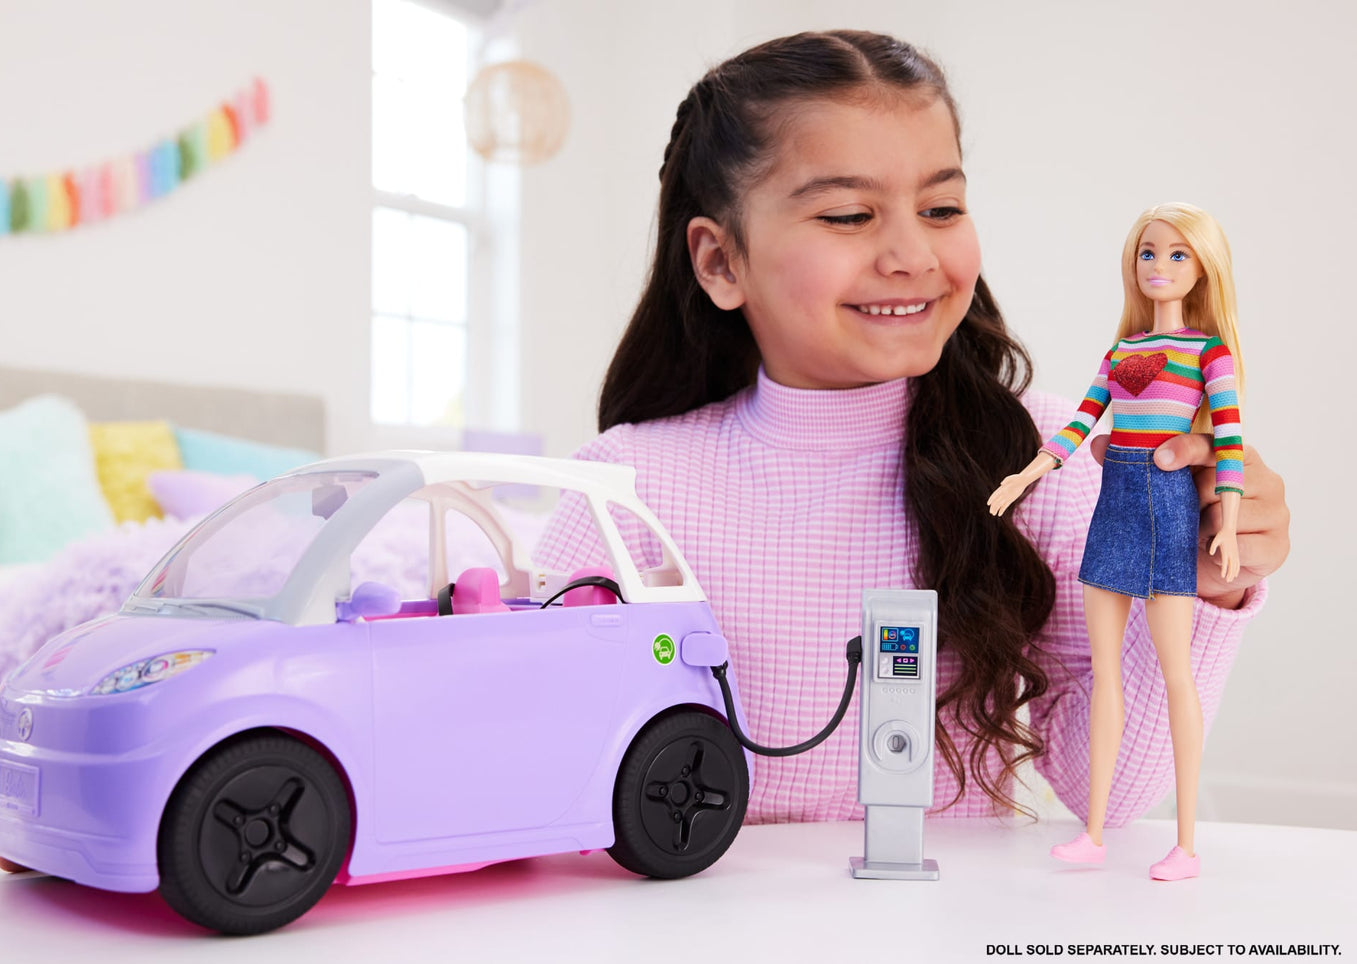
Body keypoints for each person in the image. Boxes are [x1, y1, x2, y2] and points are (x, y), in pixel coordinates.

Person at [533, 31, 1288, 840]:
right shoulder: (620, 490)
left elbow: (1110, 786)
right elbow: (549, 767)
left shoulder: (1035, 464)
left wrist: (1205, 582)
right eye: (849, 214)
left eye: (941, 208)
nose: (911, 254)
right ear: (720, 262)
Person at [988, 203, 1246, 879]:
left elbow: (1227, 440)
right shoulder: (1121, 352)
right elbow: (1079, 423)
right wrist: (1029, 471)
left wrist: (1226, 519)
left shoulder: (1206, 353)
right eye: (1147, 254)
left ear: (1202, 268)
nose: (1158, 267)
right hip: (1114, 499)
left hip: (1165, 502)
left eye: (1176, 254)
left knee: (1173, 674)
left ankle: (1186, 845)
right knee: (1107, 674)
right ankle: (1093, 832)